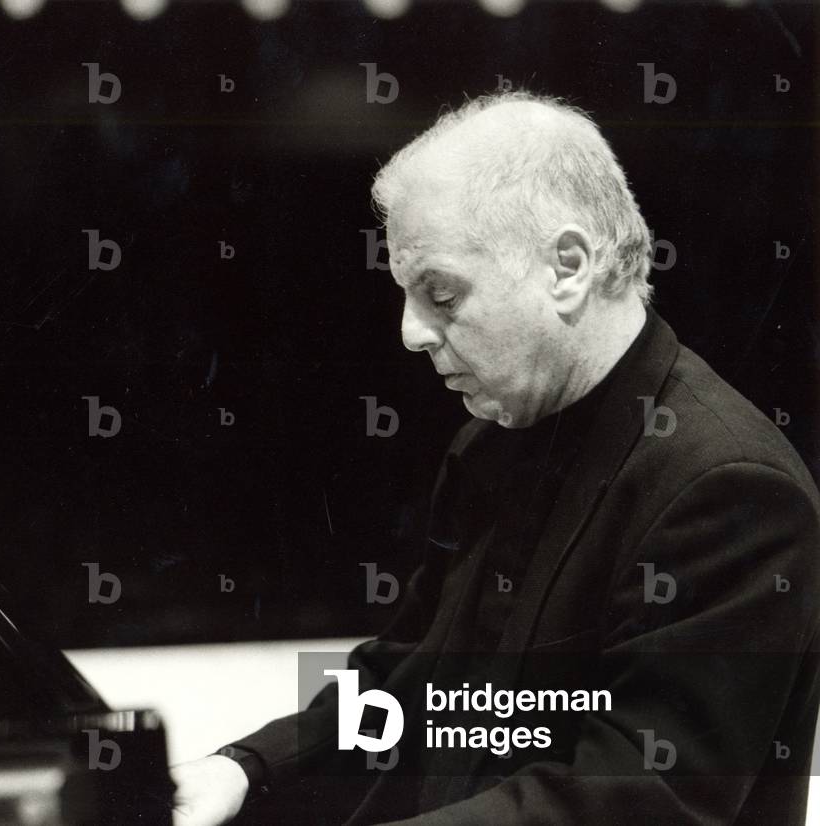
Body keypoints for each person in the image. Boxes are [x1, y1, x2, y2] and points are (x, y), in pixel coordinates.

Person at [169, 90, 820, 826]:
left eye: (440, 295)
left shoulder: (729, 490)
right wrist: (245, 770)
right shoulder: (494, 440)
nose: (411, 332)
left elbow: (629, 799)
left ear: (567, 266)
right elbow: (409, 684)